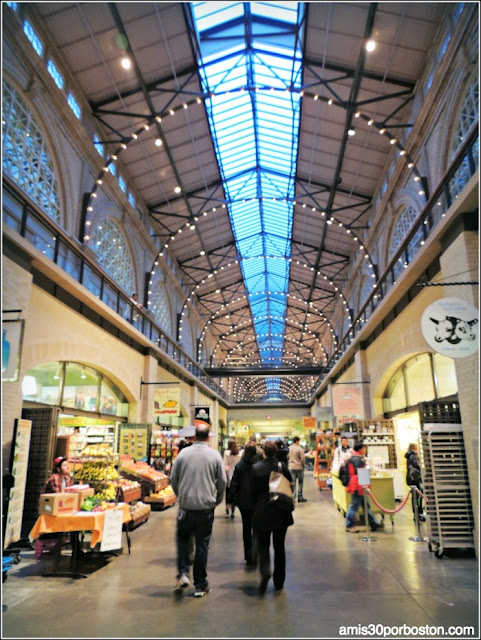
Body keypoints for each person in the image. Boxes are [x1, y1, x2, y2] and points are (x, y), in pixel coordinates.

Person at [170, 424, 226, 598]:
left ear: (194, 436)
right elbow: (222, 481)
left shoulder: (183, 454)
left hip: (186, 507)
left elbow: (173, 479)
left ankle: (183, 574)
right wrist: (217, 500)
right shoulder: (214, 455)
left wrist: (181, 495)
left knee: (182, 540)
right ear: (208, 437)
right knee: (202, 544)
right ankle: (200, 585)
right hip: (205, 508)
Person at [251, 441, 294, 594]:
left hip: (262, 511)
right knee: (279, 546)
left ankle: (265, 571)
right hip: (280, 511)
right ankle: (279, 581)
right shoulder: (282, 467)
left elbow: (252, 491)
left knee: (263, 544)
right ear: (275, 453)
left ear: (263, 453)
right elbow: (290, 484)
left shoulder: (256, 469)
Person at [227, 442, 258, 567]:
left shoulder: (240, 466)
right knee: (256, 528)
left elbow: (234, 483)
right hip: (257, 501)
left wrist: (230, 499)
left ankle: (248, 555)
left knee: (246, 527)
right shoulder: (258, 464)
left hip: (244, 501)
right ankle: (255, 553)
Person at [345, 442, 382, 533]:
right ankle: (349, 524)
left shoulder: (353, 458)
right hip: (358, 485)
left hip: (357, 484)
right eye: (364, 448)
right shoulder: (358, 459)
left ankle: (373, 523)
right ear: (360, 449)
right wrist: (366, 485)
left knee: (365, 505)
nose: (365, 450)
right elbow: (361, 473)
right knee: (354, 505)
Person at [405, 442, 425, 521]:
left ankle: (415, 513)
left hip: (410, 478)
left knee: (414, 497)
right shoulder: (414, 455)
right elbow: (417, 465)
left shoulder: (408, 456)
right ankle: (419, 513)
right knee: (418, 497)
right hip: (416, 478)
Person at [223, 439, 242, 518]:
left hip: (229, 475)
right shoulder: (240, 453)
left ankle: (227, 507)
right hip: (237, 475)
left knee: (228, 492)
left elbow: (225, 465)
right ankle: (233, 510)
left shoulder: (226, 453)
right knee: (234, 493)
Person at [288, 436, 307, 502]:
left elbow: (287, 457)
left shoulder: (288, 448)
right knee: (300, 482)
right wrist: (303, 466)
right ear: (297, 441)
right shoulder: (300, 449)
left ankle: (293, 496)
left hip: (291, 467)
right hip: (299, 467)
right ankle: (300, 497)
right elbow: (302, 459)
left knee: (293, 482)